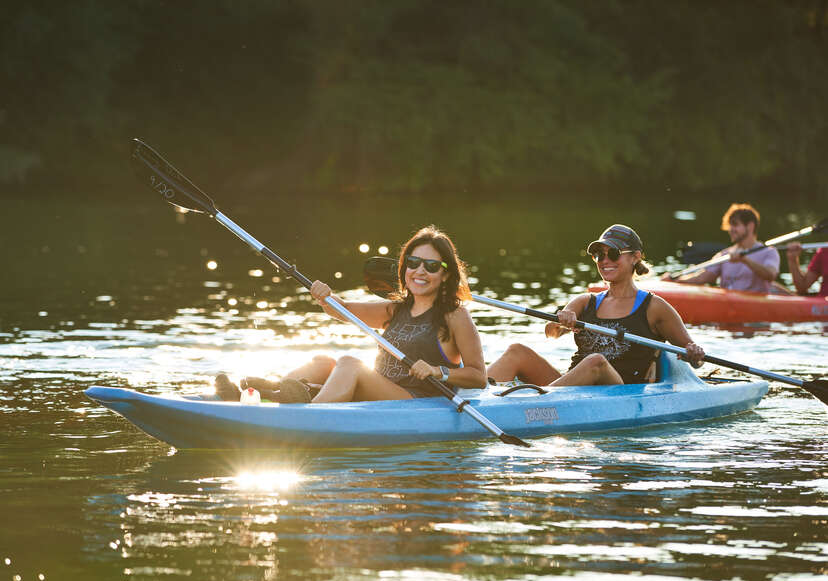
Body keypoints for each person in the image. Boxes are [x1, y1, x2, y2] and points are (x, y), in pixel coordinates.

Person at [216, 226, 487, 403]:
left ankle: (306, 417)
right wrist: (325, 296)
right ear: (404, 268)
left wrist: (438, 371)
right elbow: (343, 310)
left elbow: (478, 376)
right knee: (323, 362)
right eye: (413, 263)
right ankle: (263, 394)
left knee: (350, 364)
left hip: (415, 401)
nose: (420, 271)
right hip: (380, 391)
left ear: (446, 273)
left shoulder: (455, 315)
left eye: (431, 266)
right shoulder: (395, 309)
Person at [486, 224, 705, 387]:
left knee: (596, 362)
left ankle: (537, 404)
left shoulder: (655, 307)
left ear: (635, 258)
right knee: (517, 351)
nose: (605, 260)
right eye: (599, 255)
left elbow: (693, 360)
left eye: (613, 253)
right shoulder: (585, 301)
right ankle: (469, 398)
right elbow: (551, 332)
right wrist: (563, 320)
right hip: (571, 388)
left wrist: (693, 353)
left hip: (620, 393)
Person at [667, 203, 780, 293]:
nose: (730, 229)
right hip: (729, 308)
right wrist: (675, 280)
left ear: (750, 226)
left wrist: (745, 260)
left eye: (735, 224)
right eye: (730, 225)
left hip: (756, 313)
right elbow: (701, 278)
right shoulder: (724, 254)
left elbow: (770, 275)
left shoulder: (769, 252)